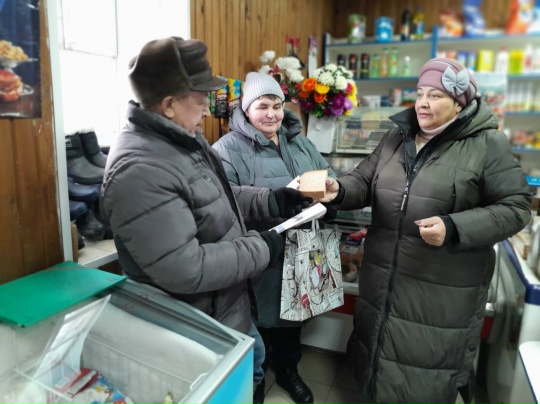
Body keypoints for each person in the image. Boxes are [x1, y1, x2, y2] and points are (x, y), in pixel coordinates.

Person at [100, 37, 312, 394]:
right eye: (200, 99)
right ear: (169, 105)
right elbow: (185, 268)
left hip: (223, 305)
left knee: (252, 371)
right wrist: (262, 247)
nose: (206, 110)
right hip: (193, 319)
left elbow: (216, 196)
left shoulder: (182, 140)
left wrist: (271, 200)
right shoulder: (141, 168)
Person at [315, 57, 532, 404]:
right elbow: (364, 180)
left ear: (459, 103)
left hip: (439, 291)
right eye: (419, 93)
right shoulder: (396, 136)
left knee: (422, 375)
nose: (423, 103)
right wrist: (338, 190)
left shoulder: (487, 143)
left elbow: (516, 208)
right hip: (382, 281)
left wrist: (453, 227)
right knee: (376, 361)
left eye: (435, 95)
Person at [213, 72, 337, 404]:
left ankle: (288, 371)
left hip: (305, 245)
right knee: (258, 320)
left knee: (296, 316)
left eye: (277, 106)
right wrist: (272, 199)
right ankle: (254, 381)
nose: (271, 114)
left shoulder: (300, 141)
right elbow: (223, 199)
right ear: (246, 110)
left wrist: (330, 195)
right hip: (261, 249)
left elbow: (327, 175)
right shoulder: (227, 149)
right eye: (262, 106)